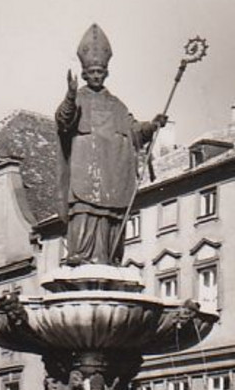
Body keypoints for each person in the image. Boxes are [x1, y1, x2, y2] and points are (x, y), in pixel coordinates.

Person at [54, 24, 168, 267]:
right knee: (85, 212)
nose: (97, 76)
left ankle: (109, 258)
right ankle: (81, 257)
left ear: (106, 73)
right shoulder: (79, 99)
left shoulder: (117, 104)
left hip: (114, 177)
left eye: (101, 71)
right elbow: (64, 121)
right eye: (92, 72)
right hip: (86, 173)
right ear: (85, 73)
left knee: (111, 218)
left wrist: (152, 126)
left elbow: (134, 131)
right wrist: (70, 96)